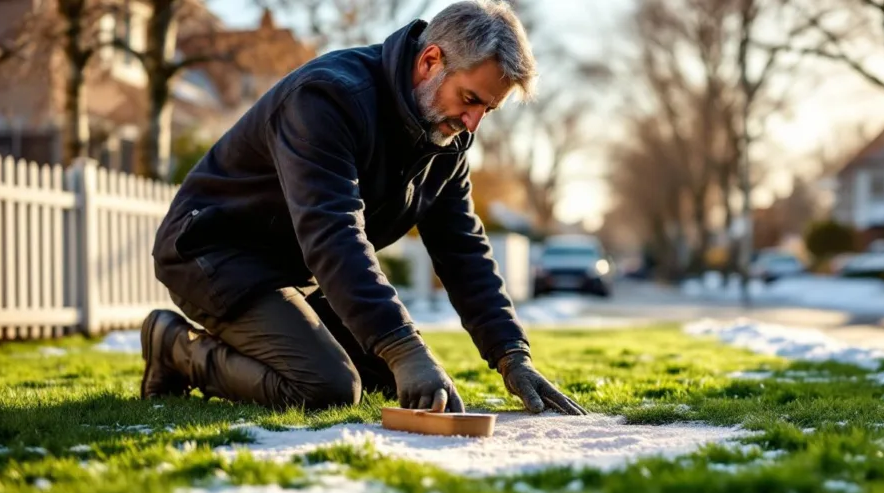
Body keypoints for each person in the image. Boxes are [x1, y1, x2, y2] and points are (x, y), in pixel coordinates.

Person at [140, 0, 587, 416]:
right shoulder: (327, 98)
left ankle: (237, 346)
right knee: (327, 388)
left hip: (290, 271)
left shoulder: (448, 139)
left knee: (395, 385)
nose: (473, 123)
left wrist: (511, 354)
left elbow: (463, 249)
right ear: (430, 60)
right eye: (470, 99)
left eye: (488, 109)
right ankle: (175, 348)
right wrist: (403, 347)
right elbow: (333, 232)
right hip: (214, 254)